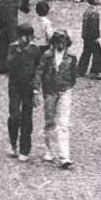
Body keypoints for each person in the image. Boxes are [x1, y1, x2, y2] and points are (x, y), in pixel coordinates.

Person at [39, 30, 79, 168]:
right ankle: (49, 149)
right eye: (58, 42)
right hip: (49, 91)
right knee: (49, 121)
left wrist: (67, 85)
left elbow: (74, 74)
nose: (60, 45)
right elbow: (39, 72)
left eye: (63, 42)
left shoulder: (71, 57)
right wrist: (37, 89)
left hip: (64, 90)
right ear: (53, 43)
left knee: (63, 123)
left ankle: (64, 155)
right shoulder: (47, 56)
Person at [4, 22, 42, 161]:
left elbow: (38, 70)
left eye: (27, 36)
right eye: (22, 36)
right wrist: (19, 50)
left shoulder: (36, 50)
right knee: (14, 116)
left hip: (29, 86)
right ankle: (13, 144)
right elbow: (9, 64)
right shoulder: (13, 48)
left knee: (27, 118)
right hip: (14, 85)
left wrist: (36, 89)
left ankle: (25, 149)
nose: (24, 39)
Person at [78, 0, 101, 79]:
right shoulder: (94, 12)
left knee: (86, 51)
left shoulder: (87, 10)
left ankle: (80, 70)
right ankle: (95, 71)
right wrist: (96, 37)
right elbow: (94, 26)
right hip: (92, 36)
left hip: (86, 35)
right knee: (97, 52)